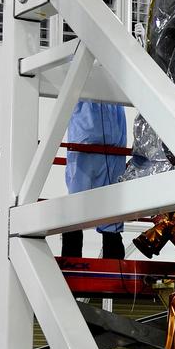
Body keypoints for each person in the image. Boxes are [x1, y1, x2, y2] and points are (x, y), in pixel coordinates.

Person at [61, 101, 128, 261]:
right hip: (86, 145)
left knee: (112, 208)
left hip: (113, 148)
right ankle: (72, 261)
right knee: (77, 208)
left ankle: (114, 262)